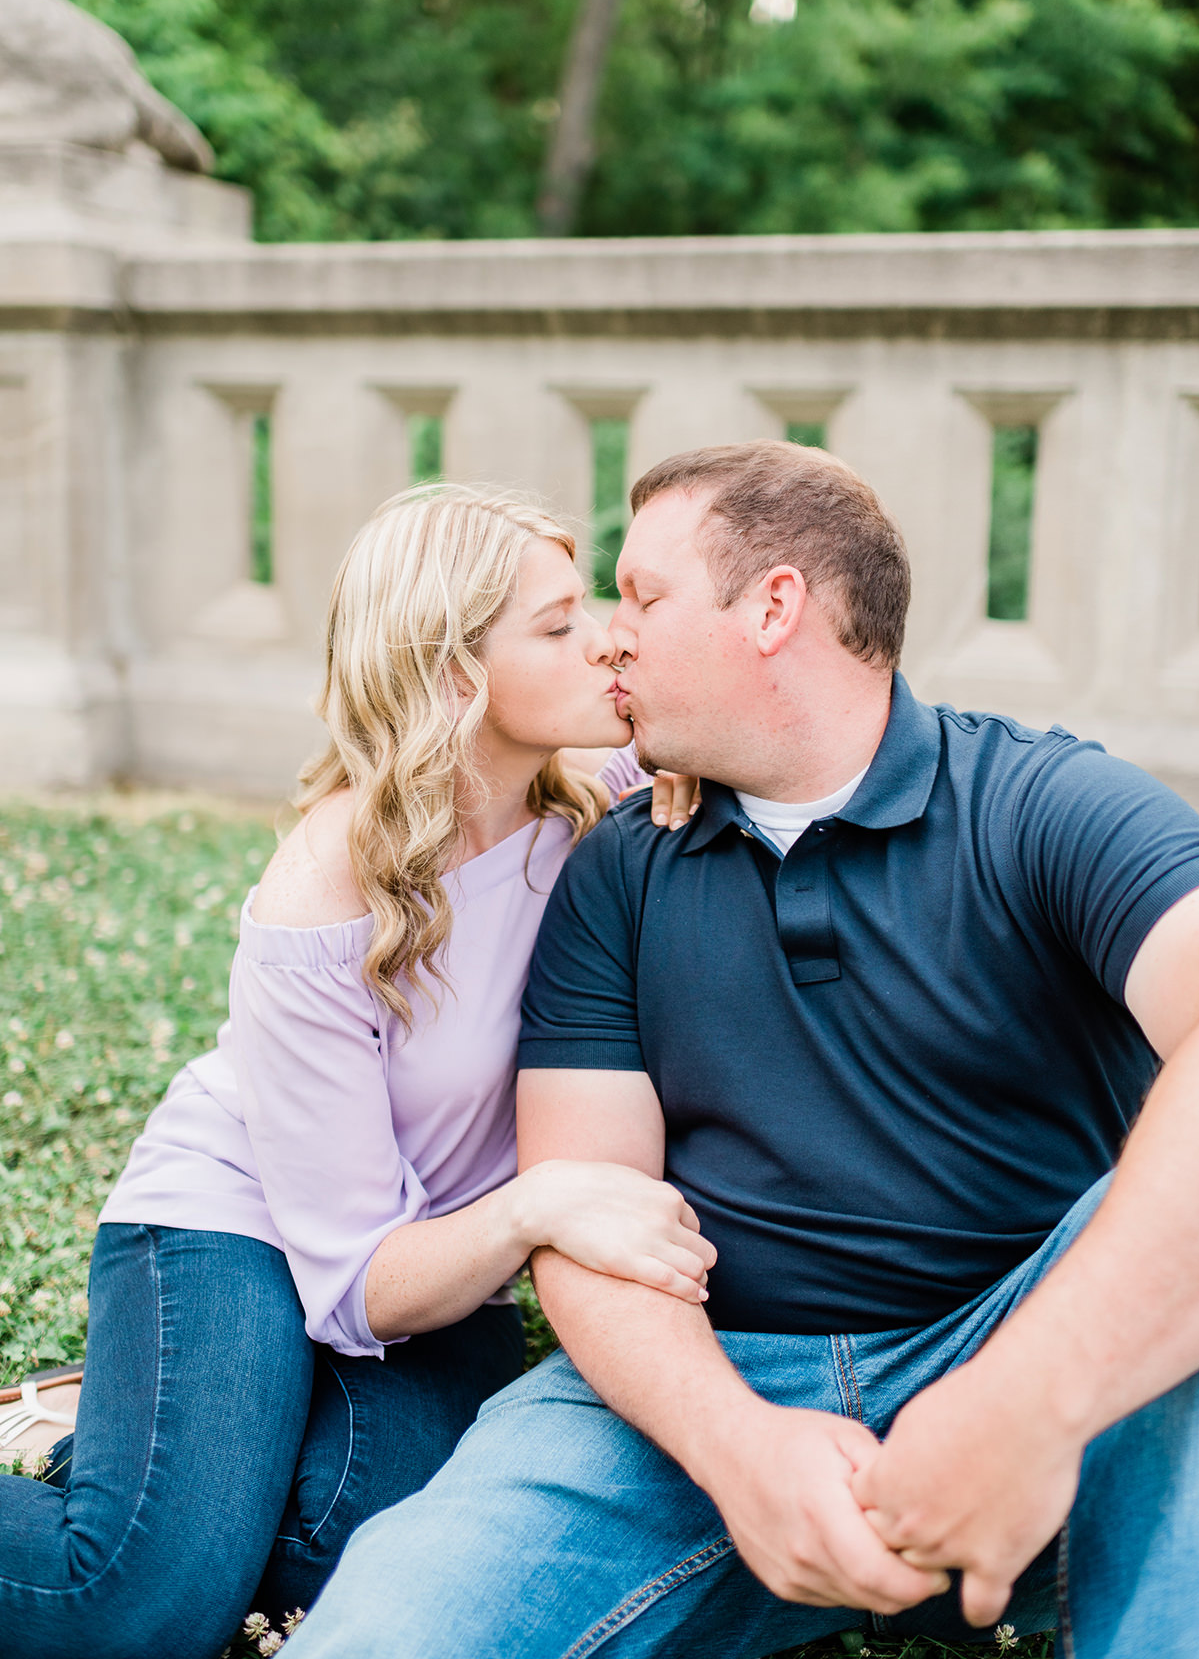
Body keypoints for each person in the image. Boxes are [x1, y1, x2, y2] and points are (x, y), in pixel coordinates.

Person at [287, 441, 1199, 1659]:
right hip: (702, 1387)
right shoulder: (615, 864)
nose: (614, 638)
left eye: (644, 598)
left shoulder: (1044, 806)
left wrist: (1025, 1401)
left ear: (773, 606)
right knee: (394, 1625)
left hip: (1034, 1348)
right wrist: (738, 1449)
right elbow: (597, 1217)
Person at [0, 484, 715, 1659]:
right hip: (252, 1231)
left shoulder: (598, 802)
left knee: (349, 1565)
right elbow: (357, 1282)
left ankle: (119, 1448)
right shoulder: (329, 884)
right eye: (555, 624)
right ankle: (144, 1487)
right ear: (452, 676)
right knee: (137, 1605)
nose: (605, 637)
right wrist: (540, 1207)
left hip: (438, 1262)